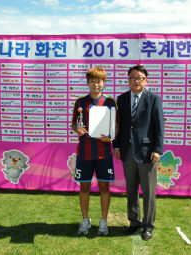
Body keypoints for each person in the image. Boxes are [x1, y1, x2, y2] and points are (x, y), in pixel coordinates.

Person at [113, 65, 164, 241]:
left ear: (146, 80)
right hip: (127, 152)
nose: (136, 80)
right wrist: (117, 146)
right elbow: (118, 126)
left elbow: (159, 127)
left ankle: (148, 226)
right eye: (133, 77)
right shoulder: (122, 99)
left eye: (140, 77)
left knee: (149, 192)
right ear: (128, 80)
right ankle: (134, 222)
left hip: (147, 153)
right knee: (131, 190)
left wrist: (158, 150)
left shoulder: (154, 99)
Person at [71, 67, 117, 236]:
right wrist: (78, 130)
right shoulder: (80, 102)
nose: (96, 84)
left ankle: (103, 221)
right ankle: (85, 220)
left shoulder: (110, 102)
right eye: (92, 81)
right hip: (84, 153)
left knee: (104, 187)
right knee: (84, 187)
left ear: (103, 83)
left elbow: (115, 125)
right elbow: (74, 124)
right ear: (88, 83)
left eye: (99, 81)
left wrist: (111, 137)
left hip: (104, 153)